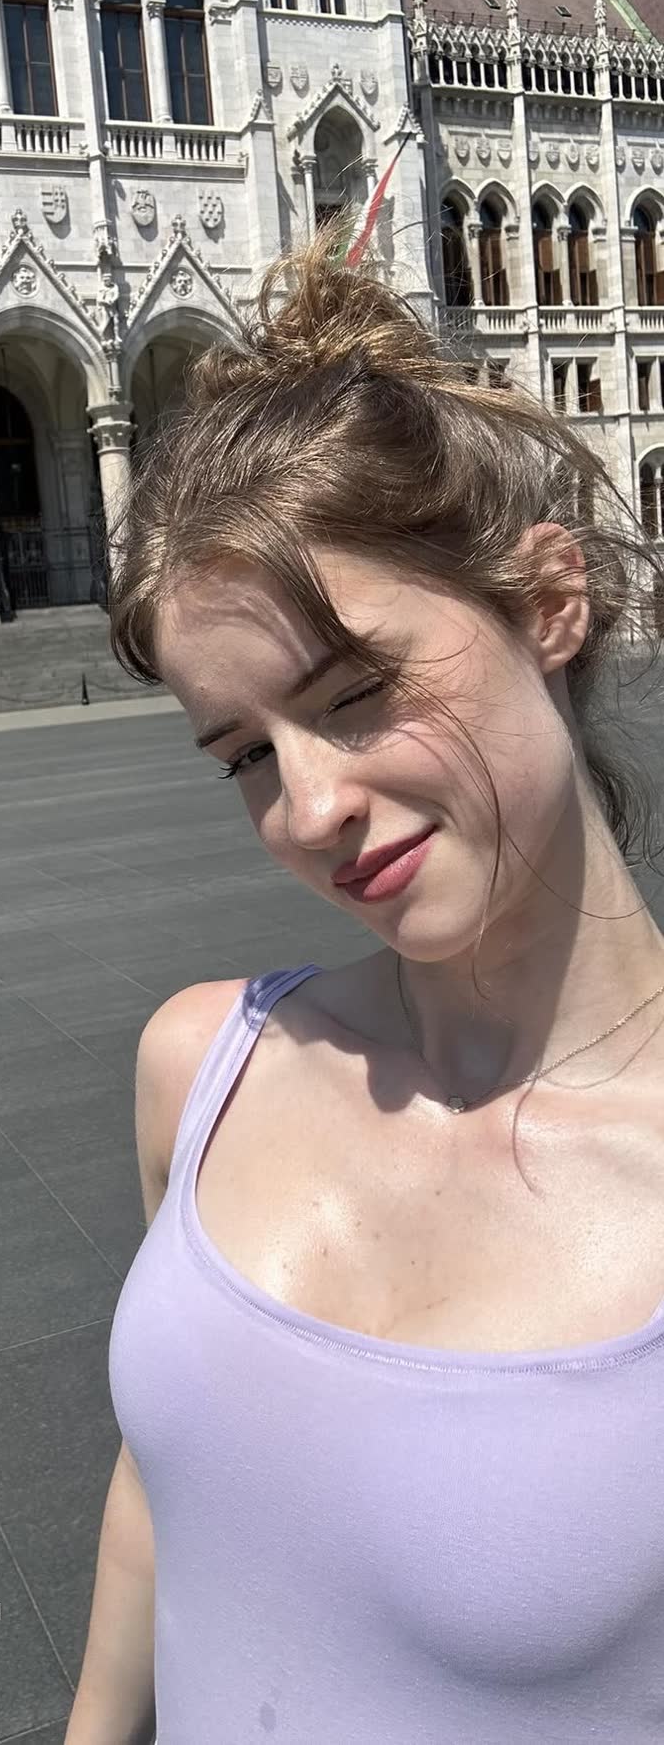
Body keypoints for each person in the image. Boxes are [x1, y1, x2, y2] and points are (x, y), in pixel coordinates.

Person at [63, 232, 664, 1744]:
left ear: (547, 601)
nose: (309, 807)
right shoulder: (204, 1067)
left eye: (356, 693)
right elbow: (160, 1498)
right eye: (245, 755)